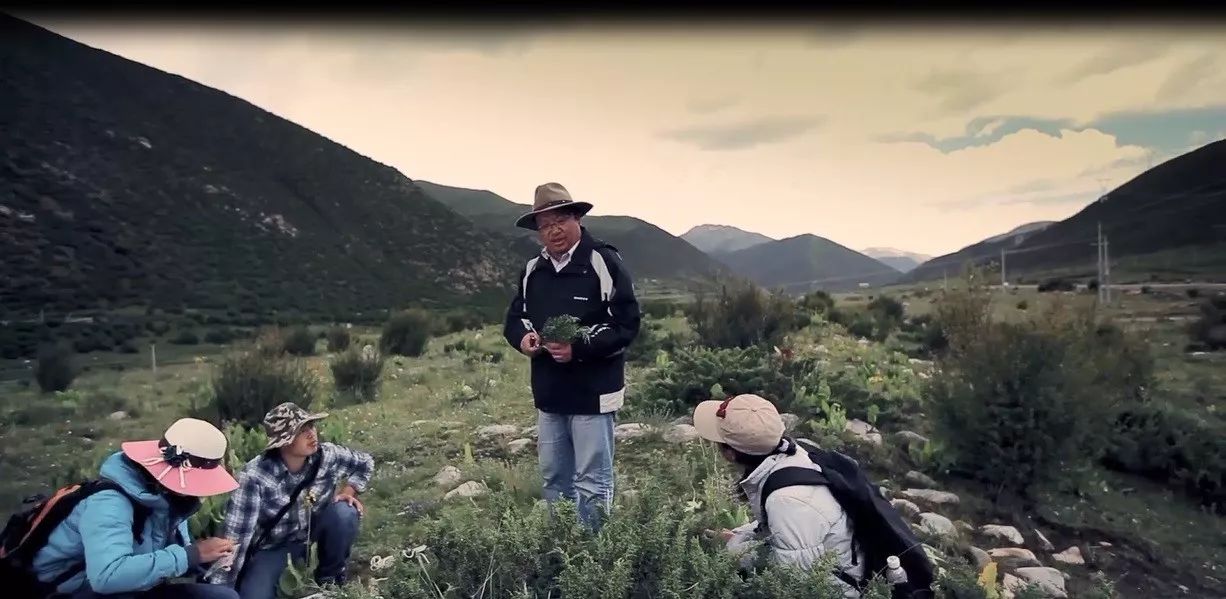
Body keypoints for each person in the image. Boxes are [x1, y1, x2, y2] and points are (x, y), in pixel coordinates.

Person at [503, 182, 641, 532]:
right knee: (553, 477)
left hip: (594, 392)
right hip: (550, 393)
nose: (553, 230)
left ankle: (593, 554)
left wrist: (577, 349)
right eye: (544, 224)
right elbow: (515, 318)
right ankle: (563, 546)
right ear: (537, 231)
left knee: (593, 479)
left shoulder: (603, 261)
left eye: (560, 219)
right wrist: (525, 339)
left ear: (577, 218)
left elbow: (625, 324)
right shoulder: (533, 270)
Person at [29, 418, 242, 598]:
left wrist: (203, 560)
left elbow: (171, 553)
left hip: (129, 586)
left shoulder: (173, 498)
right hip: (69, 591)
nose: (199, 489)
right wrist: (190, 555)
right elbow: (106, 576)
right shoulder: (109, 503)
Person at [693, 394, 866, 599]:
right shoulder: (794, 455)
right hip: (839, 565)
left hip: (838, 590)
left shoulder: (787, 500)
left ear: (730, 454)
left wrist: (735, 549)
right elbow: (783, 532)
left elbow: (793, 574)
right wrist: (741, 535)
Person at [206, 403, 374, 599]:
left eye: (311, 426)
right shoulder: (254, 478)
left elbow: (365, 462)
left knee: (345, 512)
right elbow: (235, 540)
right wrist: (221, 590)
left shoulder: (327, 455)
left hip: (315, 532)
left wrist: (349, 490)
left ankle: (330, 581)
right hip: (274, 547)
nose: (312, 434)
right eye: (302, 431)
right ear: (283, 442)